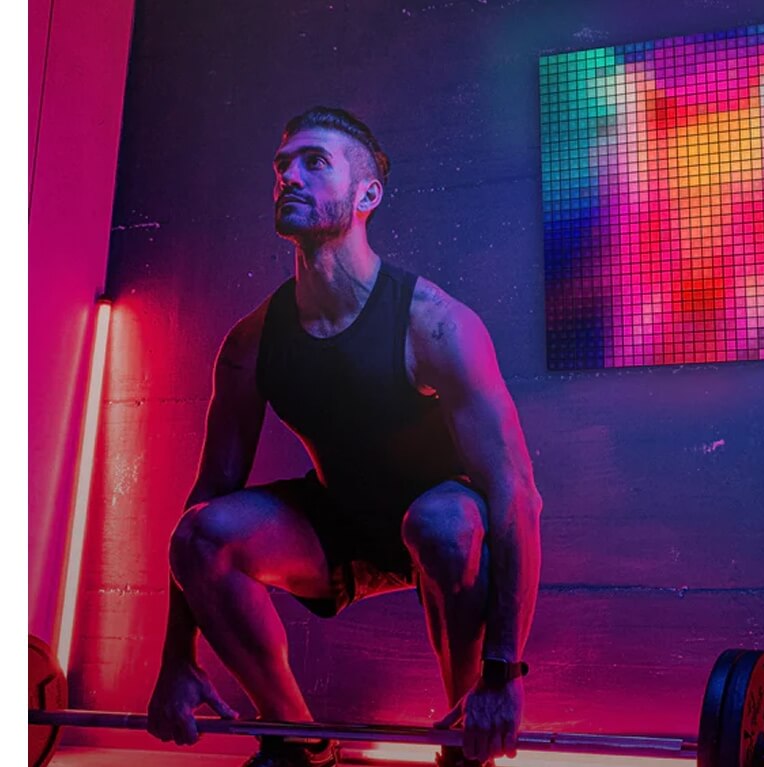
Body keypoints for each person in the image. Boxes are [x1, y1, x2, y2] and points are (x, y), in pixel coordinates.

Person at [146, 106, 543, 767]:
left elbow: (517, 497)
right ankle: (297, 740)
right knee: (200, 535)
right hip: (336, 528)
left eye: (315, 163)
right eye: (282, 166)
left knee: (443, 524)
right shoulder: (251, 343)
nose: (290, 176)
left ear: (367, 196)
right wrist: (176, 656)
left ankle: (464, 742)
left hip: (443, 528)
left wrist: (503, 674)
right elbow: (208, 492)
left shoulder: (436, 324)